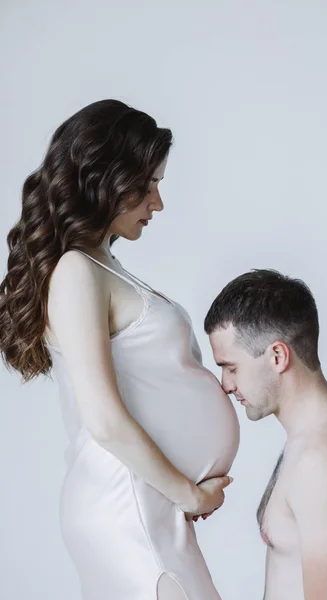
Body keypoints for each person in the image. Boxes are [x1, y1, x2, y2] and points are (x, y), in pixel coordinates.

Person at [0, 99, 240, 600]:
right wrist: (190, 495)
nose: (158, 203)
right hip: (126, 501)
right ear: (106, 179)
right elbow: (104, 419)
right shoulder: (76, 272)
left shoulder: (100, 265)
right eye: (148, 185)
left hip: (148, 499)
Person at [204, 269, 327, 600]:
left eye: (231, 367)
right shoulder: (321, 441)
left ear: (278, 356)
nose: (226, 384)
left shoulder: (324, 462)